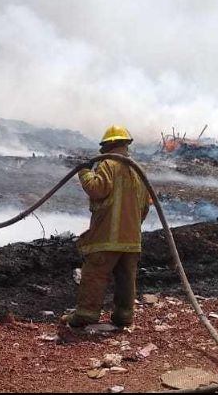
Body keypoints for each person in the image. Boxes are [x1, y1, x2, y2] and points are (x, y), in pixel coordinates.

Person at [63, 125, 150, 329]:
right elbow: (145, 206)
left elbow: (97, 189)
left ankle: (86, 314)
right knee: (126, 278)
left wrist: (84, 172)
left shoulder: (108, 164)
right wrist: (132, 226)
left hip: (107, 237)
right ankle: (124, 315)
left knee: (95, 273)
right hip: (132, 239)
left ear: (108, 145)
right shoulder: (138, 170)